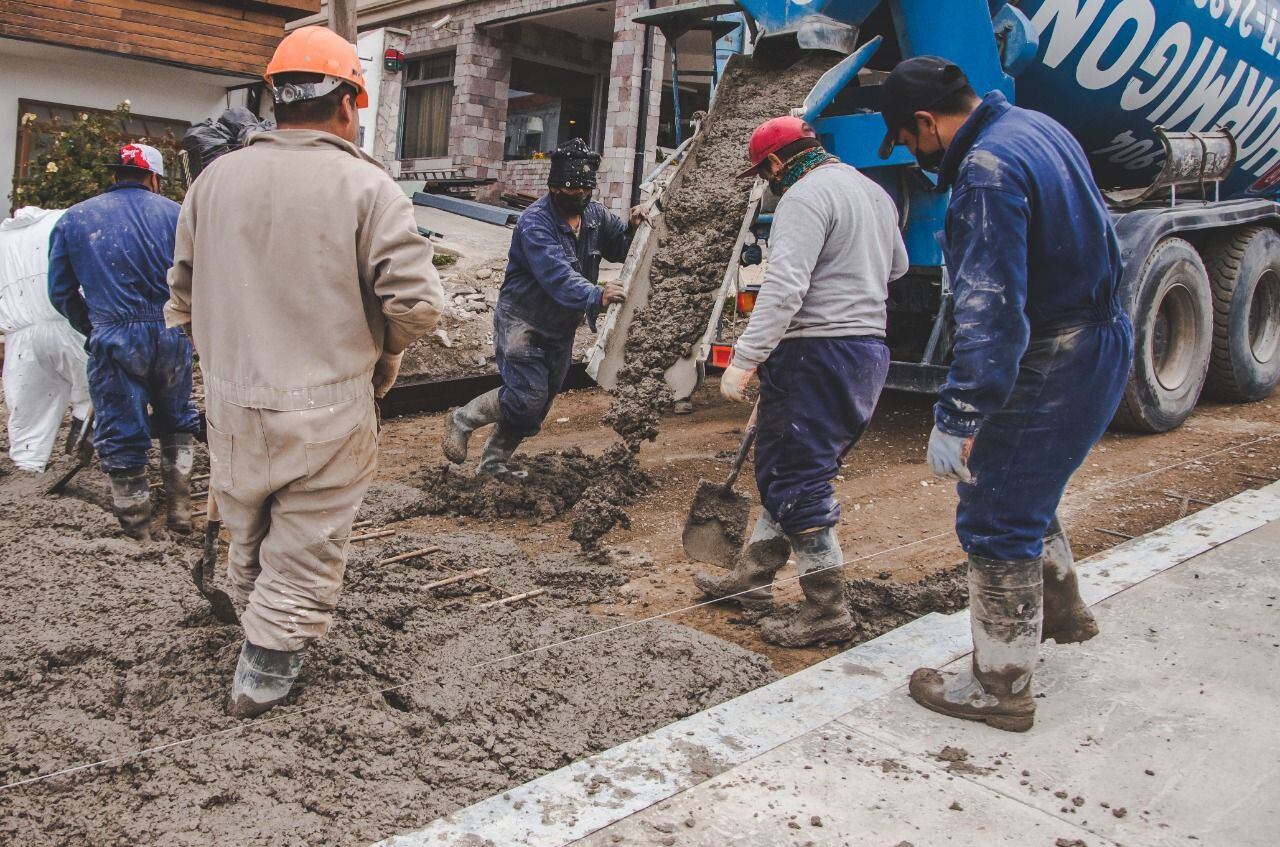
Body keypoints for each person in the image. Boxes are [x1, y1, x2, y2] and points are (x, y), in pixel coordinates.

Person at [166, 25, 446, 718]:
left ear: (276, 99)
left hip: (231, 401)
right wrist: (385, 352)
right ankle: (261, 673)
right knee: (305, 543)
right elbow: (415, 302)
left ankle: (249, 610)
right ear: (350, 101)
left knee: (249, 524)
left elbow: (181, 294)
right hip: (326, 404)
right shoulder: (365, 186)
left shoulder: (213, 181)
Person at [878, 56, 1133, 731]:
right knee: (1027, 483)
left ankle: (1001, 683)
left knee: (994, 511)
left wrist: (960, 411)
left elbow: (990, 312)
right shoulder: (1036, 127)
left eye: (906, 139)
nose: (913, 154)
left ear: (927, 122)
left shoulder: (986, 172)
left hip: (1058, 348)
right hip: (1102, 333)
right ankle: (1062, 609)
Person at [696, 116, 908, 647]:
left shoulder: (803, 196)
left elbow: (785, 287)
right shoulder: (872, 191)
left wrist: (744, 360)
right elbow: (898, 267)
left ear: (774, 163)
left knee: (798, 481)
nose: (766, 183)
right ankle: (750, 581)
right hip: (866, 351)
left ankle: (827, 609)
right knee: (793, 469)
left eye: (763, 173)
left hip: (816, 351)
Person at [442, 138, 647, 474]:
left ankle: (492, 467)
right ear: (553, 188)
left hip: (560, 328)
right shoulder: (535, 223)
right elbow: (557, 277)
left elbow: (621, 247)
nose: (579, 196)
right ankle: (462, 419)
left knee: (535, 406)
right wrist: (597, 295)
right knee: (527, 396)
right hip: (523, 322)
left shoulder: (595, 217)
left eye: (584, 189)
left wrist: (635, 229)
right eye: (570, 189)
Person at [48, 144, 199, 539]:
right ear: (154, 178)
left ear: (116, 174)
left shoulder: (75, 218)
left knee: (120, 430)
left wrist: (94, 327)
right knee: (178, 420)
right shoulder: (178, 215)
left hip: (114, 335)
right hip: (171, 332)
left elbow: (60, 292)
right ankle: (181, 514)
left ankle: (137, 530)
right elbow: (200, 277)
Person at [0, 206, 91, 472]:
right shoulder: (65, 219)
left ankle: (29, 474)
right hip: (67, 323)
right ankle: (81, 462)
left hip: (21, 337)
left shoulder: (4, 238)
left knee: (28, 417)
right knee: (91, 397)